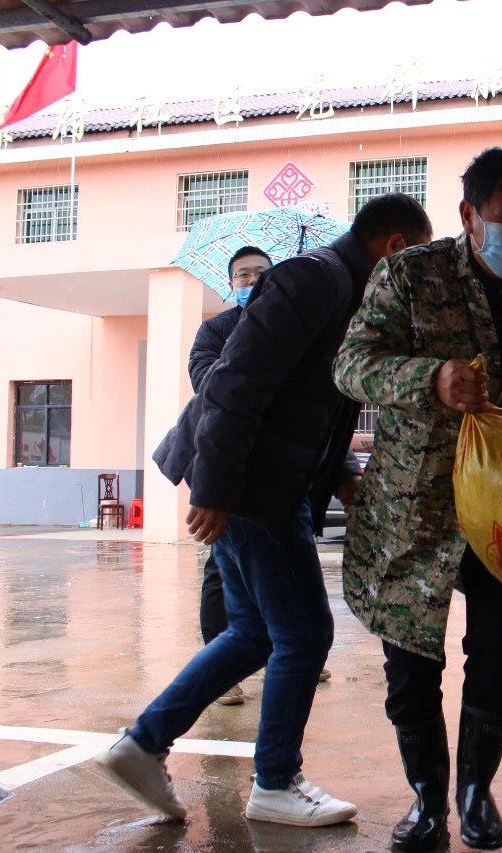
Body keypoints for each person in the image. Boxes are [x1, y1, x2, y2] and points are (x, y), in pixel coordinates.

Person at [95, 193, 433, 828]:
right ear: (394, 247)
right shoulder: (313, 280)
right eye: (417, 259)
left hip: (269, 482)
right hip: (254, 486)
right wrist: (215, 488)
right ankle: (275, 782)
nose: (417, 279)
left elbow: (311, 408)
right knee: (304, 635)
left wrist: (341, 479)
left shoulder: (345, 295)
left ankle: (143, 744)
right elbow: (234, 383)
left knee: (253, 633)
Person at [333, 147, 502, 851]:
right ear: (470, 215)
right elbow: (351, 366)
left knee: (499, 651)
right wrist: (430, 378)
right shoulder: (410, 275)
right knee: (410, 659)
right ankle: (427, 799)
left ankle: (476, 791)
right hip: (412, 503)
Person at [189, 246, 340, 707]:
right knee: (222, 569)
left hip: (282, 470)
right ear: (230, 283)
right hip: (227, 465)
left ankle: (290, 653)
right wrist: (249, 357)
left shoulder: (294, 324)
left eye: (261, 273)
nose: (251, 281)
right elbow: (210, 385)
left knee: (287, 568)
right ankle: (224, 670)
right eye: (243, 275)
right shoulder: (216, 330)